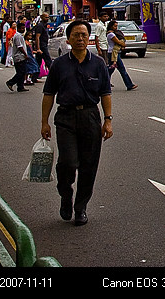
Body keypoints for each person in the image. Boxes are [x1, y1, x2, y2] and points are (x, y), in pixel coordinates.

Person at [40, 20, 113, 226]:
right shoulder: (59, 64)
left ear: (88, 37)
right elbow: (48, 94)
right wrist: (44, 122)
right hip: (66, 118)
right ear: (69, 39)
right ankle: (65, 195)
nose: (80, 39)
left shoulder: (98, 63)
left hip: (90, 117)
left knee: (89, 166)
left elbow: (106, 93)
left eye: (83, 35)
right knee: (68, 163)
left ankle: (80, 207)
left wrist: (108, 121)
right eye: (76, 35)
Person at [106, 20, 137, 91]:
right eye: (114, 26)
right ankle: (129, 85)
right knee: (121, 70)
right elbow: (119, 42)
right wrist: (122, 43)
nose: (116, 27)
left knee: (110, 70)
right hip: (113, 53)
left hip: (115, 52)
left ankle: (104, 84)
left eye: (116, 26)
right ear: (111, 26)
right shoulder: (111, 34)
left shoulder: (113, 33)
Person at [6, 22, 31, 91]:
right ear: (19, 28)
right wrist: (25, 54)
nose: (23, 29)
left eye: (24, 28)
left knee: (22, 72)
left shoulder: (20, 35)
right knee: (21, 72)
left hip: (21, 56)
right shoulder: (18, 36)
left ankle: (20, 86)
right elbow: (19, 46)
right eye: (22, 28)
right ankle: (11, 82)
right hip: (19, 56)